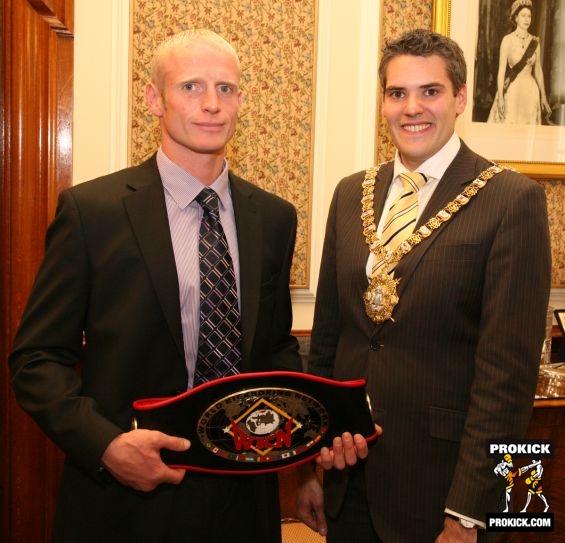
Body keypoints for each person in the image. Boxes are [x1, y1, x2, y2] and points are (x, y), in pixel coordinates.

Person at [9, 29, 302, 543]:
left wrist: (300, 439)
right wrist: (105, 445)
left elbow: (275, 347)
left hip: (244, 500)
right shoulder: (92, 212)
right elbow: (37, 359)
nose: (212, 105)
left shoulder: (273, 217)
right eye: (191, 87)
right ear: (153, 99)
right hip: (126, 500)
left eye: (226, 89)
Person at [296, 28, 551, 543]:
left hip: (445, 493)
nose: (412, 107)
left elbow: (508, 379)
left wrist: (469, 515)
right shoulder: (350, 194)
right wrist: (310, 467)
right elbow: (327, 344)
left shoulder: (512, 200)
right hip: (350, 480)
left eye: (429, 91)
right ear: (383, 103)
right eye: (397, 93)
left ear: (459, 98)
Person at [487, 0, 551, 124]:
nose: (527, 19)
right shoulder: (507, 40)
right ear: (516, 18)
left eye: (529, 16)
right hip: (512, 91)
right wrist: (500, 97)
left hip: (530, 92)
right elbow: (501, 72)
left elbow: (538, 70)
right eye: (523, 16)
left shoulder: (535, 42)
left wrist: (543, 96)